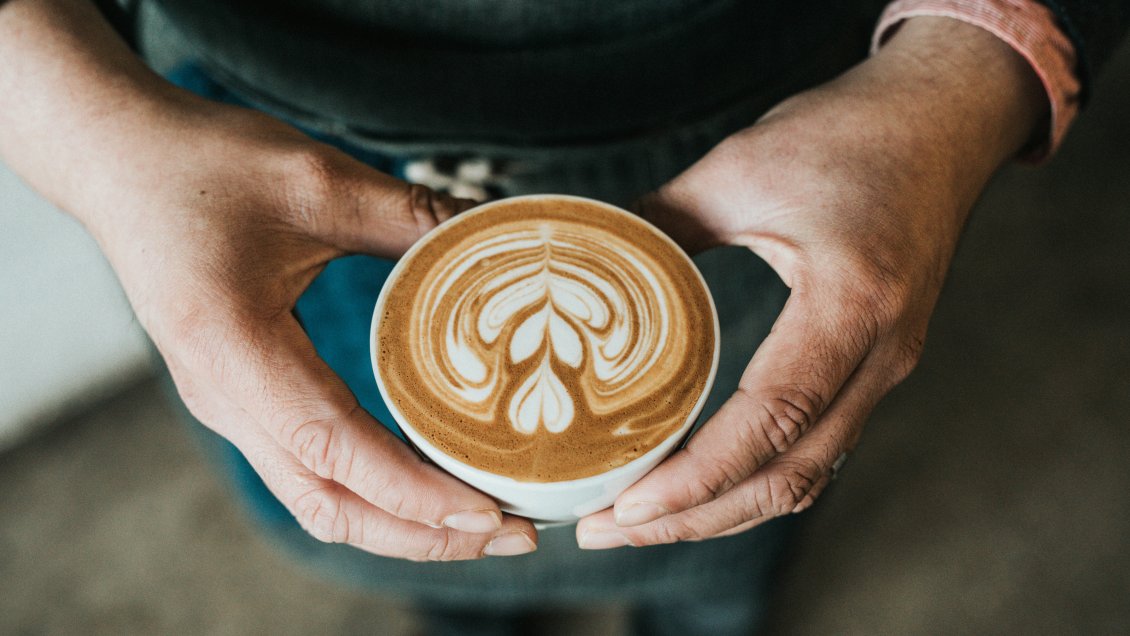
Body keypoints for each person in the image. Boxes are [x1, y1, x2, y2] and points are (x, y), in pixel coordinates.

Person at [1, 0, 1126, 633]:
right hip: (248, 154)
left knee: (730, 504)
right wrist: (89, 138)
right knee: (413, 533)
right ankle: (469, 621)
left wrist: (967, 69)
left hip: (769, 136)